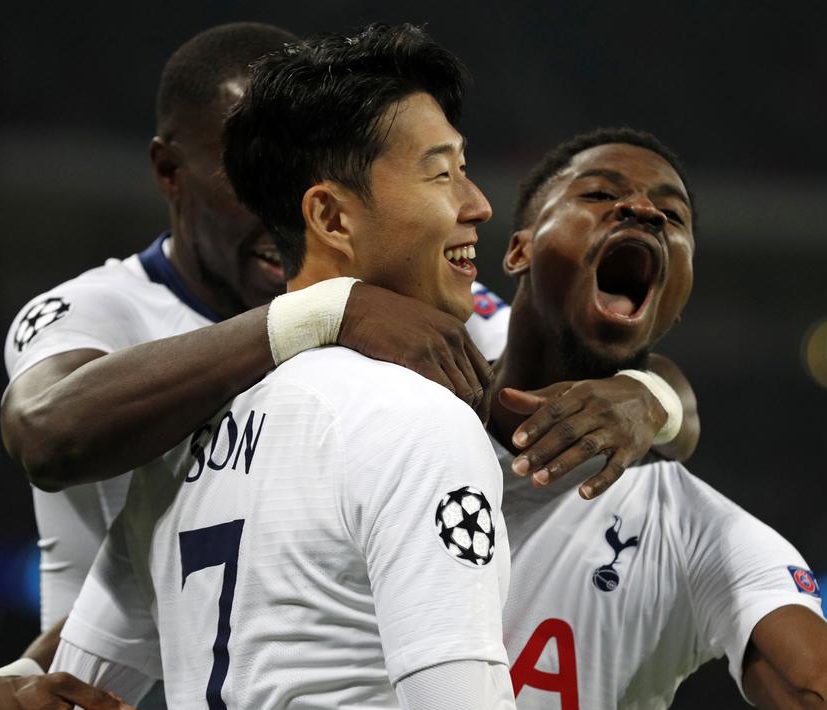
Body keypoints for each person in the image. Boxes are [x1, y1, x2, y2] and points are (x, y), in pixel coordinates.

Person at [0, 21, 701, 709]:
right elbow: (48, 433)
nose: (477, 206)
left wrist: (643, 394)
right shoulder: (109, 314)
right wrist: (325, 310)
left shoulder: (210, 429)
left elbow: (568, 374)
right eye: (440, 173)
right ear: (171, 171)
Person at [48, 23, 525, 708]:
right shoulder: (416, 422)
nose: (476, 203)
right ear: (330, 217)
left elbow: (67, 689)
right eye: (441, 172)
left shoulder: (184, 433)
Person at [485, 127, 827, 708]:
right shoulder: (431, 355)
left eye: (672, 212)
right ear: (519, 250)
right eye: (596, 195)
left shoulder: (703, 537)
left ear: (679, 292)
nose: (642, 210)